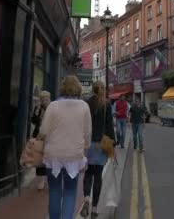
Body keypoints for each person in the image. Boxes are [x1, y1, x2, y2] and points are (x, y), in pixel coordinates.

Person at [40, 76, 91, 219]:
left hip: (53, 156)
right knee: (70, 191)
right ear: (78, 88)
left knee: (54, 191)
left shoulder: (53, 106)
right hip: (74, 156)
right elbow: (87, 134)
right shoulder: (84, 106)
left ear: (62, 88)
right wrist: (85, 152)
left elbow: (43, 131)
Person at [81, 81, 115, 218]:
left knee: (88, 174)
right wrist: (113, 142)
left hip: (88, 144)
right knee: (98, 176)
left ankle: (87, 199)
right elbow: (109, 126)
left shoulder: (86, 103)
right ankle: (94, 208)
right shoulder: (106, 105)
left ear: (92, 90)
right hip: (101, 144)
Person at [32, 91, 50, 191]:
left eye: (45, 99)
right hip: (38, 136)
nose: (43, 101)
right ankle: (41, 179)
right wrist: (37, 110)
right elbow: (33, 121)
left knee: (47, 157)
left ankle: (45, 179)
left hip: (48, 137)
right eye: (42, 99)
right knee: (39, 157)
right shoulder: (39, 108)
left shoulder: (52, 108)